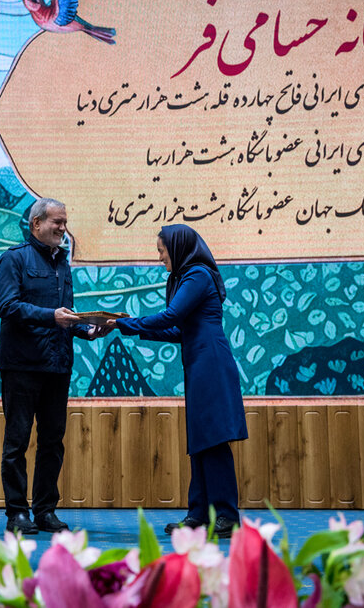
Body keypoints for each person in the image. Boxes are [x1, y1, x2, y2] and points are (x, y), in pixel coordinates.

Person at [107, 224, 246, 538]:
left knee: (213, 439)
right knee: (201, 439)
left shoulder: (197, 275)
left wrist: (124, 323)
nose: (160, 258)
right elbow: (178, 331)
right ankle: (199, 514)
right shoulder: (185, 277)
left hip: (210, 363)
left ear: (178, 248)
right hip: (199, 362)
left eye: (162, 251)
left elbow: (170, 317)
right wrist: (127, 327)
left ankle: (226, 516)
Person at [0, 198, 103, 535]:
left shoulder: (62, 264)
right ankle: (17, 513)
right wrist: (51, 316)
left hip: (58, 367)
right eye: (57, 221)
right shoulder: (13, 259)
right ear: (36, 223)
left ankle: (45, 511)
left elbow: (64, 314)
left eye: (64, 222)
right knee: (17, 442)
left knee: (52, 442)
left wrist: (87, 329)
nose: (62, 228)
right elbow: (7, 307)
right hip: (22, 367)